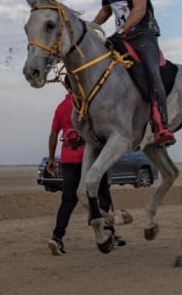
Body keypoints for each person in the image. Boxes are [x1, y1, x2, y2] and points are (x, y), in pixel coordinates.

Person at [91, 0, 175, 148]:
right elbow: (106, 10)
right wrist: (90, 28)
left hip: (143, 34)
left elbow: (139, 10)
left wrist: (121, 32)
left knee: (151, 72)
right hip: (121, 35)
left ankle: (162, 125)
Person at [47, 77, 126, 255]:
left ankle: (57, 237)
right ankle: (110, 234)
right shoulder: (86, 105)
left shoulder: (61, 107)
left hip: (68, 160)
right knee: (102, 194)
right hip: (91, 158)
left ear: (65, 86)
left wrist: (52, 158)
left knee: (68, 200)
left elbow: (53, 135)